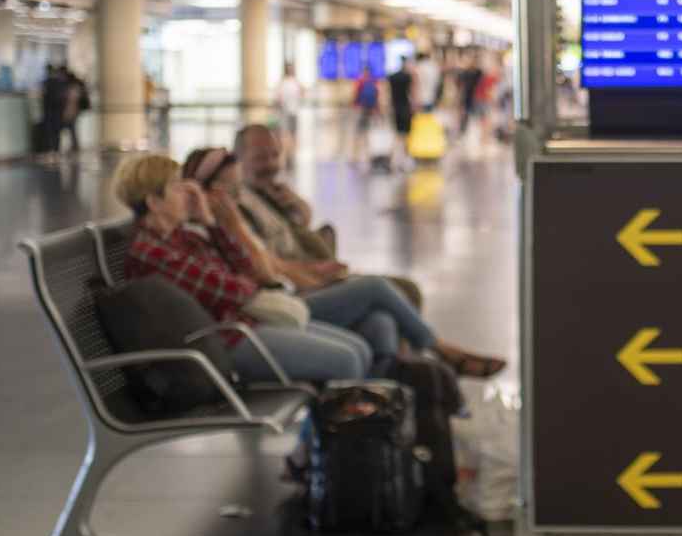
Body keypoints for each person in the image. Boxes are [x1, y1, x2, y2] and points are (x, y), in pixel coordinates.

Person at [181, 147, 501, 378]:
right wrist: (232, 226)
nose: (236, 195)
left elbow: (288, 243)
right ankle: (440, 350)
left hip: (290, 290)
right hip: (278, 305)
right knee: (378, 289)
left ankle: (385, 407)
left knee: (380, 321)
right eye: (229, 188)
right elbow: (264, 274)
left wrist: (296, 215)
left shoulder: (250, 203)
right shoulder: (221, 224)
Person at [112, 154, 372, 386]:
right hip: (220, 344)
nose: (189, 193)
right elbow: (230, 290)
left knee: (359, 349)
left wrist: (210, 222)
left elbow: (244, 268)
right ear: (155, 202)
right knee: (348, 360)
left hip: (241, 326)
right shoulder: (152, 253)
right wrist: (250, 285)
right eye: (177, 187)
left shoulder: (182, 237)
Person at [232, 124, 426, 308]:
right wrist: (317, 272)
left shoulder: (271, 193)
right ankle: (434, 343)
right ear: (238, 161)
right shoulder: (240, 208)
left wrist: (296, 203)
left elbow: (303, 224)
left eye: (275, 156)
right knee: (403, 291)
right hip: (301, 286)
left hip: (319, 276)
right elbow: (270, 263)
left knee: (384, 319)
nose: (272, 165)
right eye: (260, 158)